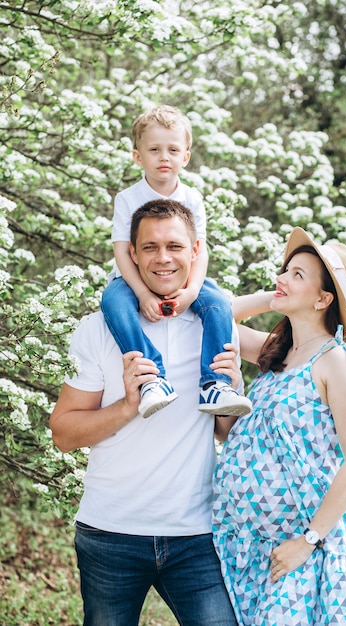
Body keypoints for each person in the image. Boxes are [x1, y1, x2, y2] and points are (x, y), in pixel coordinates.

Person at [50, 199, 241, 626]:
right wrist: (128, 405)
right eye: (150, 247)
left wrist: (233, 382)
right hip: (109, 533)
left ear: (195, 251)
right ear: (131, 255)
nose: (163, 258)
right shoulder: (99, 328)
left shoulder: (216, 326)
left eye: (174, 245)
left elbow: (227, 432)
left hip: (199, 535)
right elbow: (63, 433)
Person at [212, 226, 346, 625]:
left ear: (324, 299)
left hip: (304, 547)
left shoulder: (337, 361)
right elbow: (216, 314)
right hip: (251, 546)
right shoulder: (276, 353)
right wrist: (283, 294)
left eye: (297, 274)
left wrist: (307, 542)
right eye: (285, 270)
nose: (281, 278)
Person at [101, 104, 251, 418]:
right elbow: (121, 250)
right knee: (112, 303)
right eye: (154, 150)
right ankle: (152, 379)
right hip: (133, 279)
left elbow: (201, 250)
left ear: (185, 156)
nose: (164, 157)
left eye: (172, 150)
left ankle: (215, 384)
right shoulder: (128, 198)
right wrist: (142, 294)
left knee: (219, 304)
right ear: (138, 156)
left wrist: (193, 291)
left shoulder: (192, 198)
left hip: (183, 279)